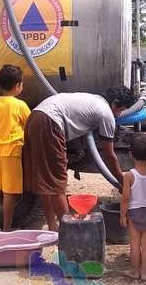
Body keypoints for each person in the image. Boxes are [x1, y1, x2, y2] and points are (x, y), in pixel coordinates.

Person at [23, 86, 136, 231]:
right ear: (114, 103)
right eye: (121, 110)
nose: (119, 115)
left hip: (36, 117)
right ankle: (69, 232)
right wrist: (121, 180)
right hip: (50, 123)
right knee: (57, 183)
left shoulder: (95, 100)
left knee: (47, 181)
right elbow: (109, 155)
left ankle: (53, 226)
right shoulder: (106, 113)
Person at [0, 64, 31, 231]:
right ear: (17, 85)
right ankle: (7, 227)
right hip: (12, 152)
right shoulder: (20, 105)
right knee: (9, 192)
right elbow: (30, 124)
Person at [120, 134, 146, 281]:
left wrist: (122, 215)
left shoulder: (129, 176)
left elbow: (125, 198)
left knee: (134, 244)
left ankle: (134, 272)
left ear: (130, 154)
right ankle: (145, 273)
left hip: (134, 213)